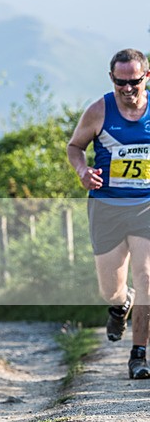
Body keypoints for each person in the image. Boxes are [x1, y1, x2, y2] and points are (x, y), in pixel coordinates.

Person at [67, 48, 150, 379]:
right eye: (120, 82)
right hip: (107, 208)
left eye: (134, 82)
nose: (127, 89)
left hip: (145, 205)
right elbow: (75, 147)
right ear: (111, 78)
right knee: (110, 288)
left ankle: (139, 354)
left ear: (146, 77)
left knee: (146, 277)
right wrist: (82, 171)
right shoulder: (99, 110)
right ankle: (120, 304)